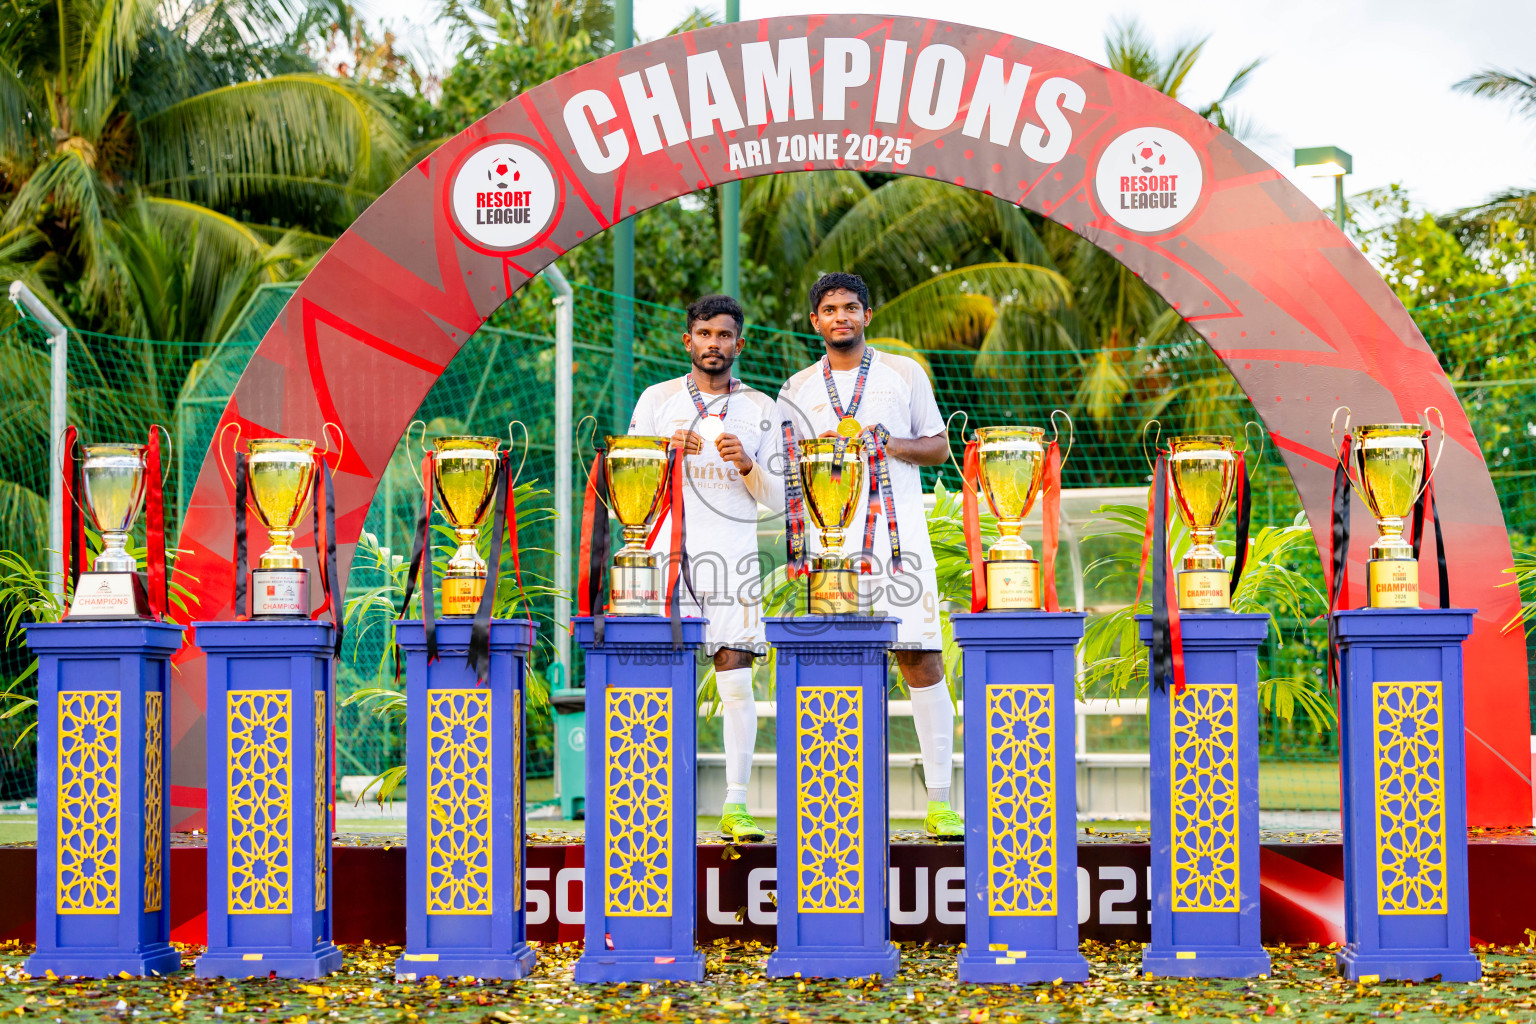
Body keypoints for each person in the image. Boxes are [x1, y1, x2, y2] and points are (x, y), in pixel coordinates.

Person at [776, 272, 963, 840]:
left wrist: (889, 443)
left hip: (897, 544)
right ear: (815, 321)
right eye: (830, 308)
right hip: (829, 551)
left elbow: (938, 446)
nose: (841, 317)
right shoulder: (796, 387)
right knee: (837, 670)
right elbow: (788, 466)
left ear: (867, 314)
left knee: (920, 660)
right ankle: (839, 805)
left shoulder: (904, 374)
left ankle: (941, 800)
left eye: (851, 307)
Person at [628, 294, 781, 843]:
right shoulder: (657, 399)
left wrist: (746, 463)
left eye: (724, 335)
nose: (713, 344)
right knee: (660, 680)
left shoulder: (763, 407)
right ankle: (650, 801)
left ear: (740, 343)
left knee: (736, 678)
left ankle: (736, 805)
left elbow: (780, 500)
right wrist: (661, 452)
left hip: (733, 558)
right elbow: (629, 488)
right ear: (686, 340)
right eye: (703, 334)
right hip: (665, 555)